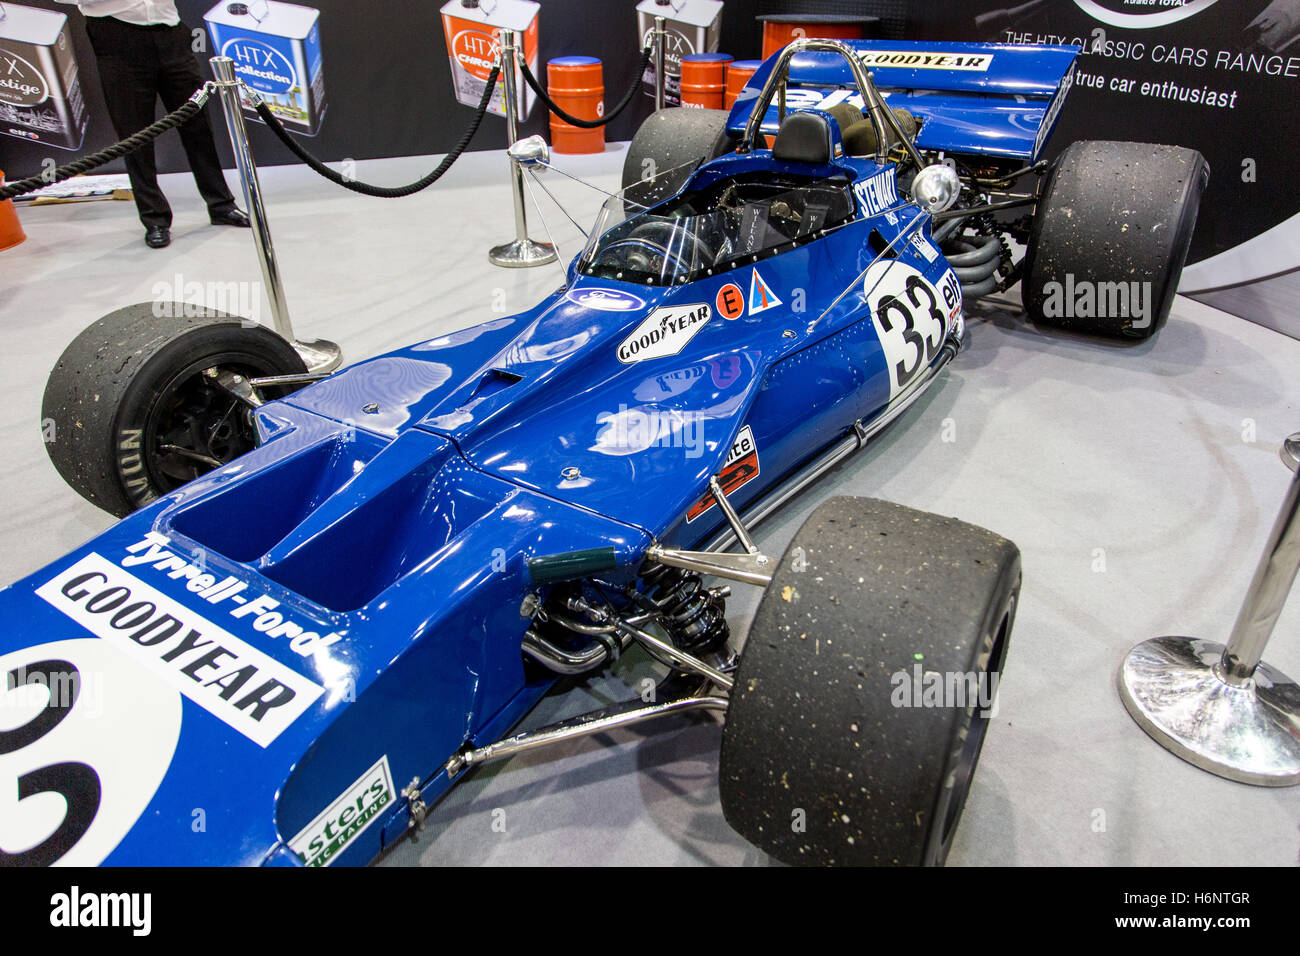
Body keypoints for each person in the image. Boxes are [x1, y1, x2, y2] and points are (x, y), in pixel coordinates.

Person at [57, 1, 250, 248]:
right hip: (116, 35)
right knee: (135, 135)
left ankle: (221, 204)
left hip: (171, 30)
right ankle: (155, 219)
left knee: (198, 123)